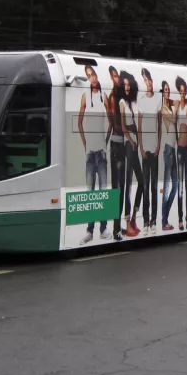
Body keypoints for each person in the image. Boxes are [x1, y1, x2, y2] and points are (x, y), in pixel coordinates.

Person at [78, 65, 108, 244]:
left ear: (97, 75)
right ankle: (90, 230)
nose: (92, 78)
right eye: (88, 76)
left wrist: (105, 142)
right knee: (90, 193)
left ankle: (103, 228)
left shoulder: (103, 97)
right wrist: (85, 144)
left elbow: (111, 122)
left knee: (103, 192)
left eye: (93, 74)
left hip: (101, 153)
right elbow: (79, 123)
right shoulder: (84, 97)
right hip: (90, 154)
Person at [137, 68, 162, 236]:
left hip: (154, 149)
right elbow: (139, 128)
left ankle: (154, 220)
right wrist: (141, 149)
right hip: (145, 150)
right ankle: (145, 220)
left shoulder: (158, 100)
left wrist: (158, 146)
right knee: (145, 186)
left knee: (153, 187)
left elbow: (160, 126)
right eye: (145, 80)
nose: (149, 82)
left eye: (150, 79)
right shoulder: (141, 101)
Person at [119, 71, 144, 237]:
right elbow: (122, 127)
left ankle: (134, 216)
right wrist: (132, 140)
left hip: (135, 144)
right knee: (128, 184)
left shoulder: (135, 103)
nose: (127, 87)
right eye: (125, 85)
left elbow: (139, 124)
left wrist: (140, 144)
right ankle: (127, 220)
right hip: (128, 144)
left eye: (129, 85)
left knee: (141, 181)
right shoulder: (122, 102)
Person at [105, 66, 125, 241]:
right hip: (117, 144)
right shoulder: (113, 97)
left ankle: (119, 226)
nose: (116, 79)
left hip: (124, 144)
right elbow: (113, 125)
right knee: (117, 187)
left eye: (117, 76)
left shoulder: (122, 96)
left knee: (123, 186)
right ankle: (116, 229)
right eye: (113, 76)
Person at [159, 81, 178, 232]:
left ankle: (164, 219)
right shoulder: (163, 109)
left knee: (175, 186)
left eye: (168, 90)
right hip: (168, 150)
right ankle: (163, 221)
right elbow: (173, 119)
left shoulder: (170, 107)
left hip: (175, 150)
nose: (167, 92)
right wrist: (176, 108)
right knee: (166, 188)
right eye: (165, 90)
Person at [175, 77, 187, 230]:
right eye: (181, 91)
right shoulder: (176, 107)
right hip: (180, 150)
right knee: (181, 186)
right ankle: (180, 218)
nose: (182, 94)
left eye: (184, 91)